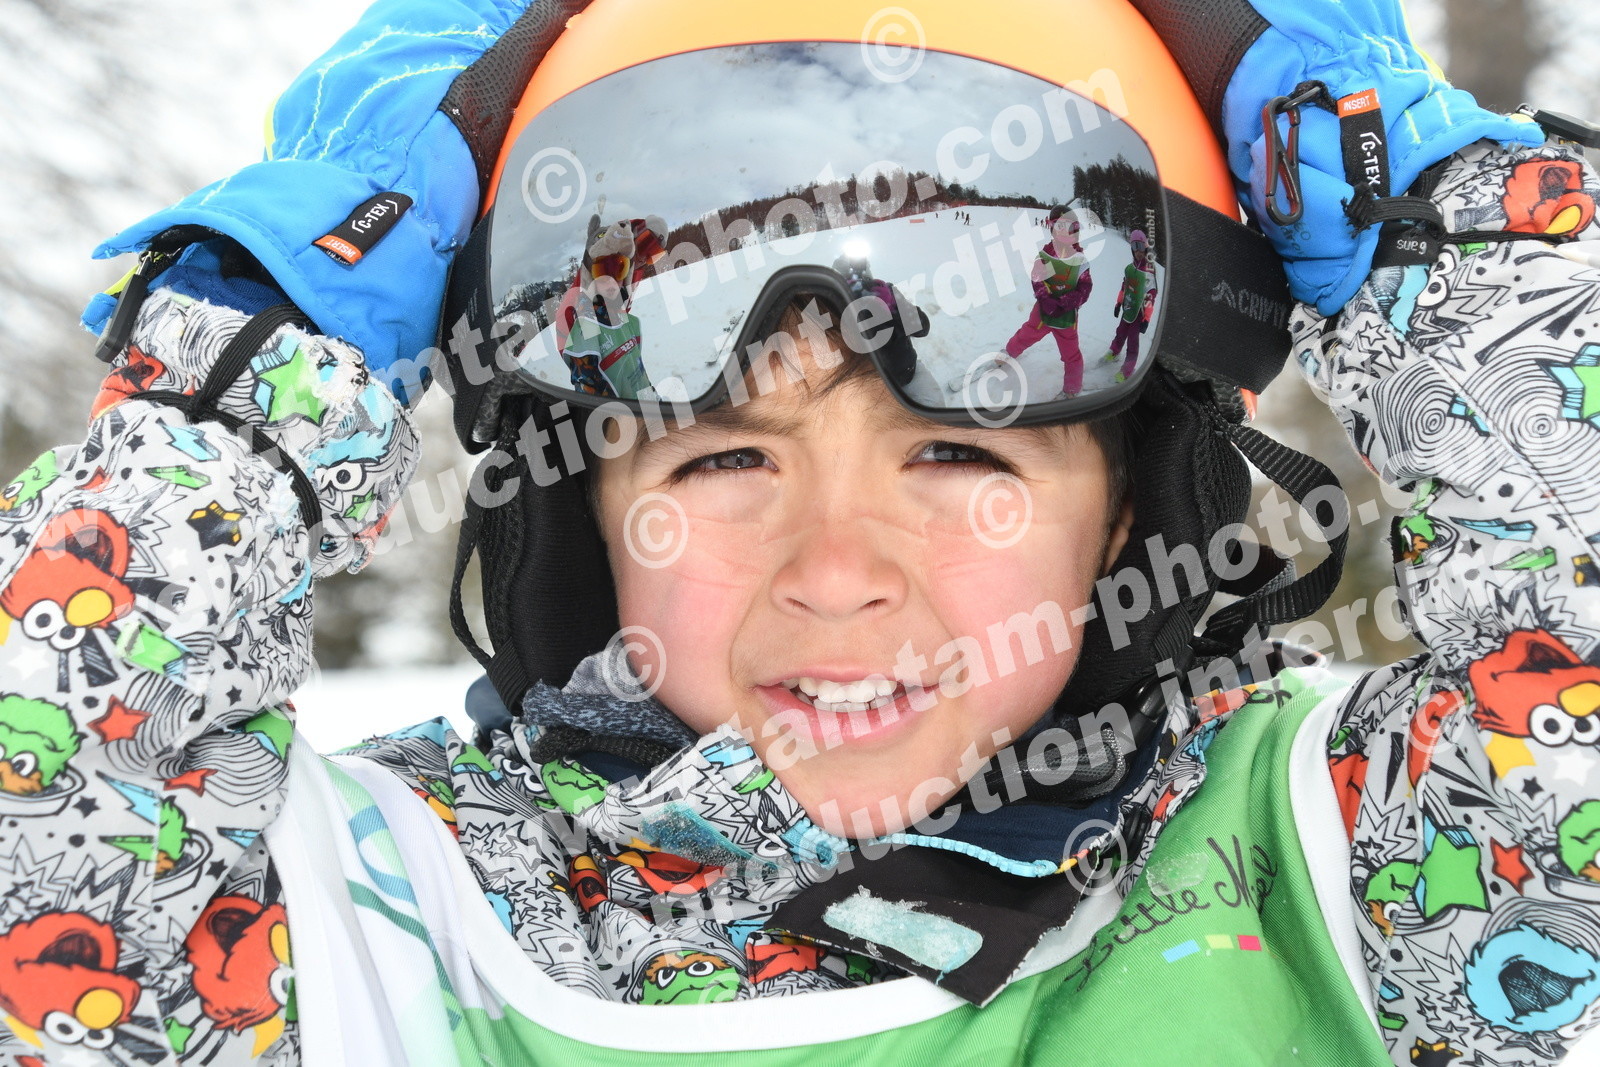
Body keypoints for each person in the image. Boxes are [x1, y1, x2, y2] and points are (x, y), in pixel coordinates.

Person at [0, 0, 1596, 1065]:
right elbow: (46, 808)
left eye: (956, 451)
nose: (837, 570)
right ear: (583, 511)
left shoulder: (1339, 858)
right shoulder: (388, 917)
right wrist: (264, 356)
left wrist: (1440, 218)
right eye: (721, 461)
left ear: (1127, 515)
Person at [1002, 207, 1093, 398]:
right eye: (1059, 226)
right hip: (1043, 311)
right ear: (1051, 228)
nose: (1064, 232)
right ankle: (1009, 352)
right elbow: (1038, 278)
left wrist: (1067, 302)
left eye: (1069, 227)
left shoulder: (1079, 261)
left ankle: (1072, 388)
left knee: (1071, 353)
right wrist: (1045, 298)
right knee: (1027, 333)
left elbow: (1084, 287)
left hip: (1066, 317)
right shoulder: (1046, 256)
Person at [1102, 228, 1157, 383]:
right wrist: (1118, 303)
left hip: (1139, 313)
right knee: (1120, 332)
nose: (1138, 251)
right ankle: (1114, 351)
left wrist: (1146, 318)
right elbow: (1124, 287)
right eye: (1134, 246)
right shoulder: (1130, 268)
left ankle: (1127, 369)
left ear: (1146, 247)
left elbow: (1151, 296)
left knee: (1133, 340)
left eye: (1140, 246)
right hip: (1128, 308)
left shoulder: (1149, 272)